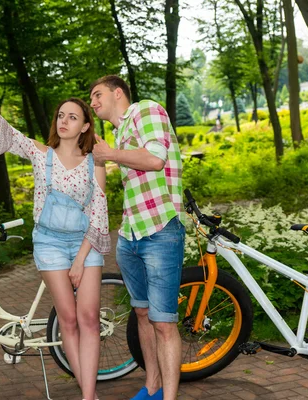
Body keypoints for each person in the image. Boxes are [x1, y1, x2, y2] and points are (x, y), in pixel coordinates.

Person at [0, 79, 110, 400]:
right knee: (67, 319)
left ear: (85, 126)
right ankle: (89, 397)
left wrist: (80, 260)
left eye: (72, 117)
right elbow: (2, 126)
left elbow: (99, 213)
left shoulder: (96, 163)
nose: (64, 121)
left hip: (84, 244)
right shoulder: (41, 154)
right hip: (49, 245)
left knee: (89, 318)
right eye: (60, 115)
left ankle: (88, 395)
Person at [89, 75, 185, 400]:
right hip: (131, 234)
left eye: (97, 95)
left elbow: (155, 159)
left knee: (163, 322)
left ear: (118, 93)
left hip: (160, 231)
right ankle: (152, 388)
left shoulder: (146, 111)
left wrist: (111, 154)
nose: (92, 102)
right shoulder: (117, 133)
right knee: (142, 314)